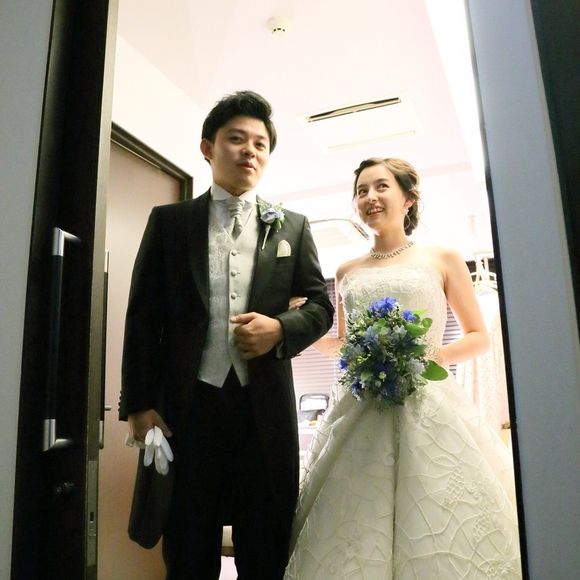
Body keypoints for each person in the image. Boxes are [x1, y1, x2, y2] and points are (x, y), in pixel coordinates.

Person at [119, 90, 334, 580]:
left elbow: (321, 306)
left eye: (260, 143)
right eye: (236, 139)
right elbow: (143, 317)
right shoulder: (170, 223)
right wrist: (138, 404)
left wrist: (280, 328)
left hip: (264, 415)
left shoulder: (293, 227)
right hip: (187, 411)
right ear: (208, 148)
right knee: (187, 552)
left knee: (266, 551)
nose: (249, 151)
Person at [285, 158, 522, 579]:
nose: (370, 198)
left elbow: (477, 336)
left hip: (428, 400)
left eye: (381, 187)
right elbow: (346, 345)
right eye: (361, 191)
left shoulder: (442, 257)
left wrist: (425, 357)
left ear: (408, 198)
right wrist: (302, 327)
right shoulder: (346, 271)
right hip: (362, 404)